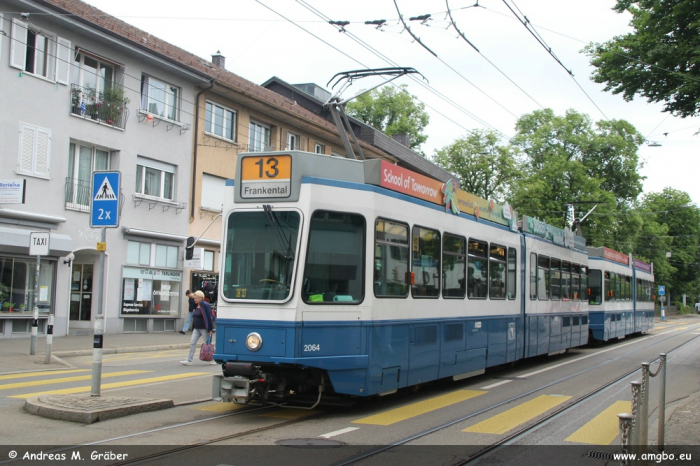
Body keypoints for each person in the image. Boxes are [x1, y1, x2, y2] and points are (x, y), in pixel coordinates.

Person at [180, 290, 216, 365]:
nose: (194, 299)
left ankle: (216, 358)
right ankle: (189, 360)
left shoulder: (205, 305)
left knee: (208, 343)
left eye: (196, 298)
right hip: (196, 328)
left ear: (201, 298)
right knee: (193, 342)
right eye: (194, 298)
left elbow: (209, 318)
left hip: (204, 328)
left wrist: (210, 329)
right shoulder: (196, 305)